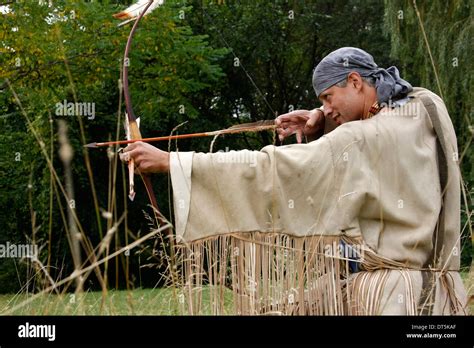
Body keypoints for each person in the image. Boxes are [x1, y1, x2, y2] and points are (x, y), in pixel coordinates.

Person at [121, 47, 468, 315]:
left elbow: (269, 169)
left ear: (356, 82)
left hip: (391, 298)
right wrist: (324, 118)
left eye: (328, 98)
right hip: (441, 293)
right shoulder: (424, 108)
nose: (327, 108)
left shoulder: (358, 140)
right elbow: (397, 102)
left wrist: (172, 162)